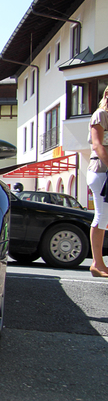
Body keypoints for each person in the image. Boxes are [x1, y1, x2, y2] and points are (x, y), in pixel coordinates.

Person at [87, 86, 108, 277]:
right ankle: (97, 264)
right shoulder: (100, 114)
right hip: (101, 171)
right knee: (102, 217)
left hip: (105, 172)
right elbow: (97, 144)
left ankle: (99, 264)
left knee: (105, 217)